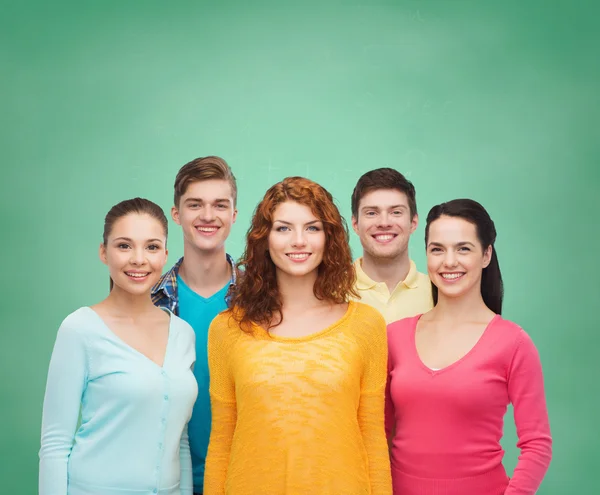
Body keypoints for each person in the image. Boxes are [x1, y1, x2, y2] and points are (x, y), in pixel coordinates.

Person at [203, 177, 392, 495]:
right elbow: (222, 441)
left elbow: (373, 439)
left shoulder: (366, 326)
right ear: (264, 239)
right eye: (283, 228)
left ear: (328, 237)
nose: (298, 241)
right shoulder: (226, 329)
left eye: (312, 228)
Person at [385, 199, 552, 494]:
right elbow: (378, 432)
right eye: (437, 249)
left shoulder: (513, 343)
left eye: (463, 248)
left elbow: (537, 445)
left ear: (486, 254)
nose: (449, 261)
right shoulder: (394, 337)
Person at [39, 198, 198, 495]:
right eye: (124, 245)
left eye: (151, 247)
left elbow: (181, 440)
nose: (138, 259)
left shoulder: (183, 335)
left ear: (165, 254)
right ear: (104, 252)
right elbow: (55, 444)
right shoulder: (80, 329)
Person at [152, 156, 237, 495]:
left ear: (233, 215)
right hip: (164, 482)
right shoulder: (149, 300)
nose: (207, 216)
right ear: (176, 214)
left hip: (242, 478)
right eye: (194, 204)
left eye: (220, 205)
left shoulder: (263, 303)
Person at [350, 168, 432, 323]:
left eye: (396, 212)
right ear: (355, 224)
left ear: (413, 223)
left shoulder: (438, 293)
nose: (384, 223)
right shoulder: (330, 292)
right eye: (372, 213)